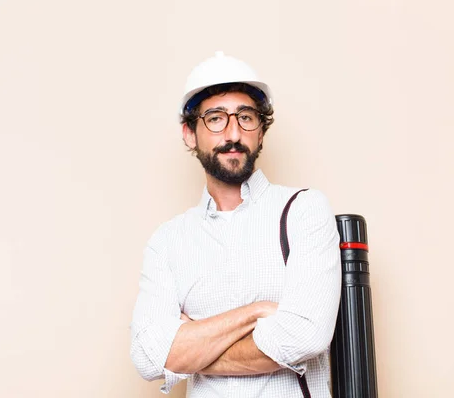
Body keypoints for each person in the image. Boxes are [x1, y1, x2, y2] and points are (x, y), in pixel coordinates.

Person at [130, 51, 341, 397]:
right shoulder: (168, 241)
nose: (233, 132)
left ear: (261, 132)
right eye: (215, 118)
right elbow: (147, 357)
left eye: (246, 117)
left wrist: (192, 346)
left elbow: (306, 335)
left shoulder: (304, 210)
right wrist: (255, 313)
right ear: (189, 133)